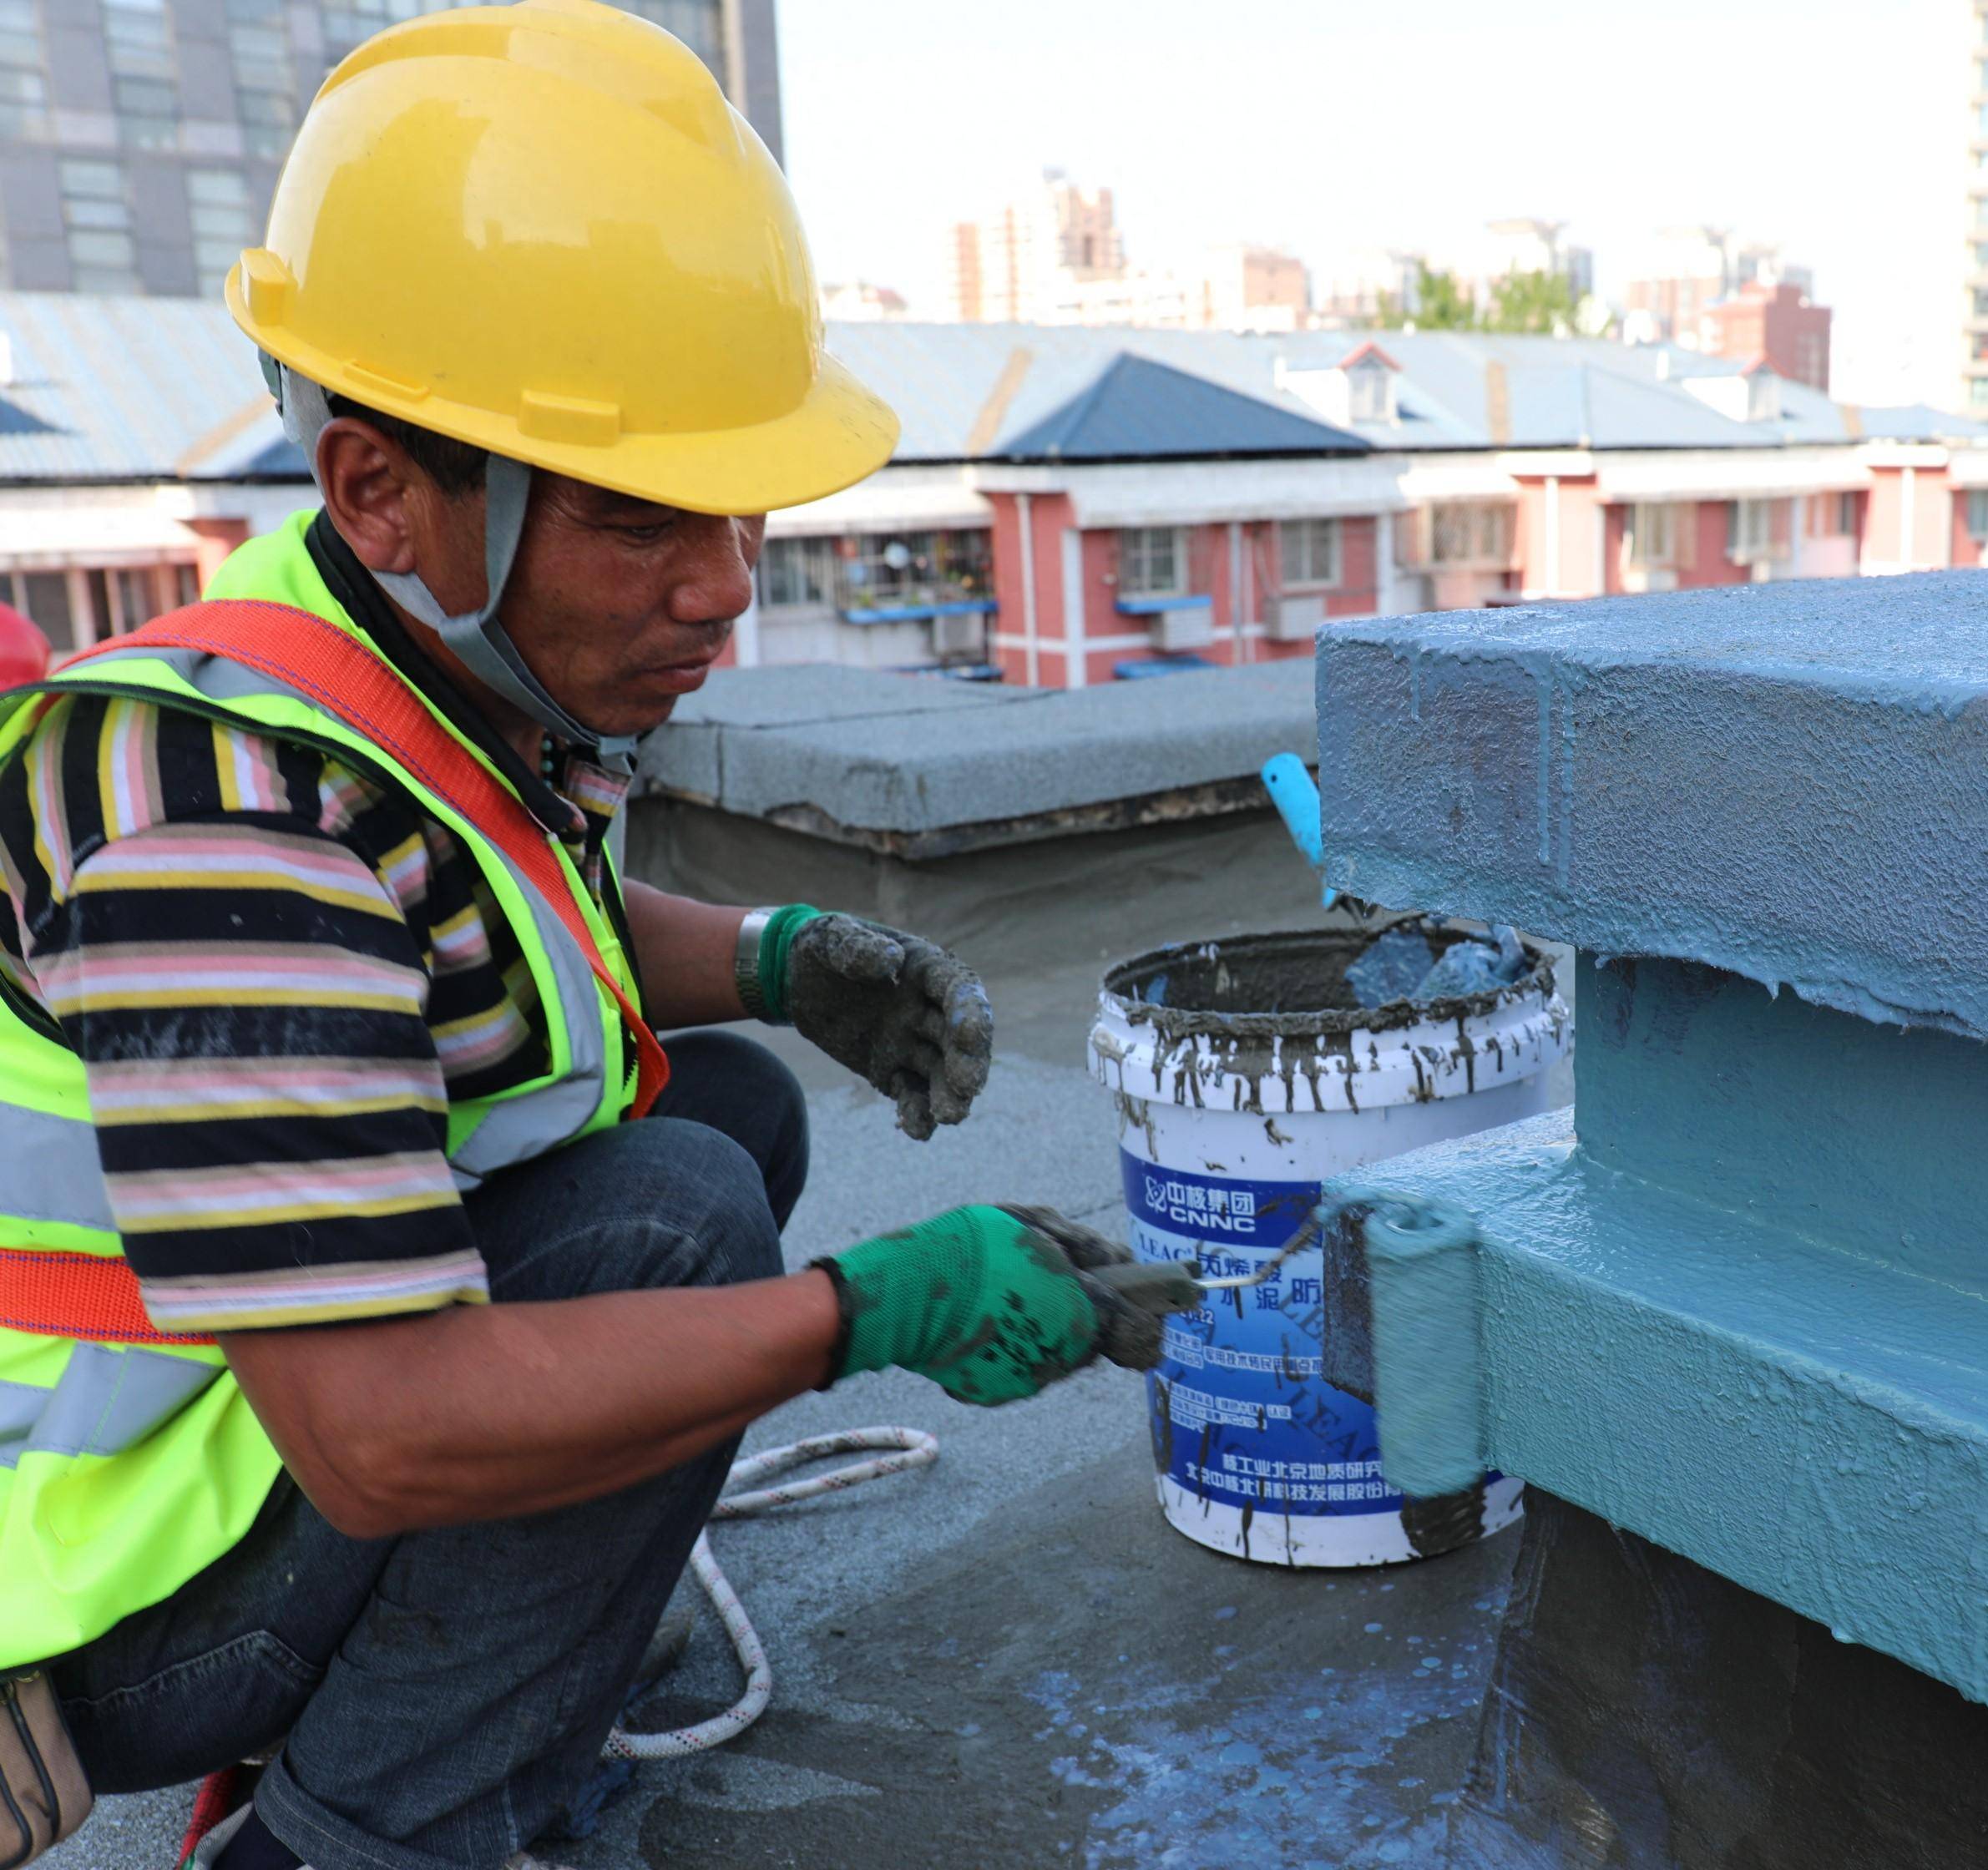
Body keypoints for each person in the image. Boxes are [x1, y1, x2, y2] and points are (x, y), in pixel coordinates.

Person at [0, 6, 1177, 1866]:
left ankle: (479, 1689)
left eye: (739, 510)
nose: (722, 588)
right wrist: (866, 1312)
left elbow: (468, 918)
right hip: (95, 1598)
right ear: (385, 484)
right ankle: (356, 1831)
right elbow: (383, 1430)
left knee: (721, 1106)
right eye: (641, 523)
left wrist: (784, 961)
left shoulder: (373, 624)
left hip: (234, 1421)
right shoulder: (214, 826)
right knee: (684, 1221)